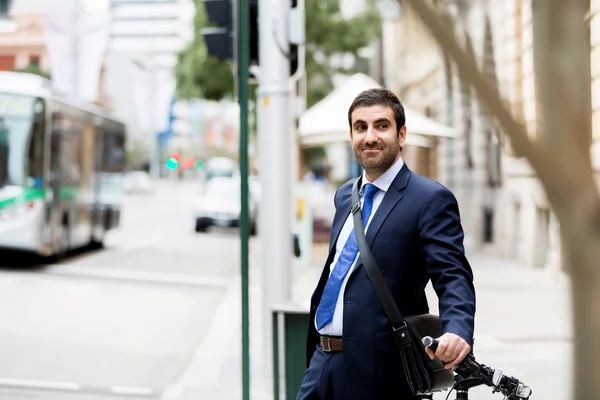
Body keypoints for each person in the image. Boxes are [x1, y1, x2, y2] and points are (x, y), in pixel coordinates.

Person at [296, 88, 476, 400]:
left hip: (382, 372)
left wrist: (457, 330)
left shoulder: (429, 199)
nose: (370, 137)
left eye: (381, 126)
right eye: (360, 127)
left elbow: (452, 275)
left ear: (401, 134)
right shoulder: (345, 196)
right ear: (351, 135)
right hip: (322, 362)